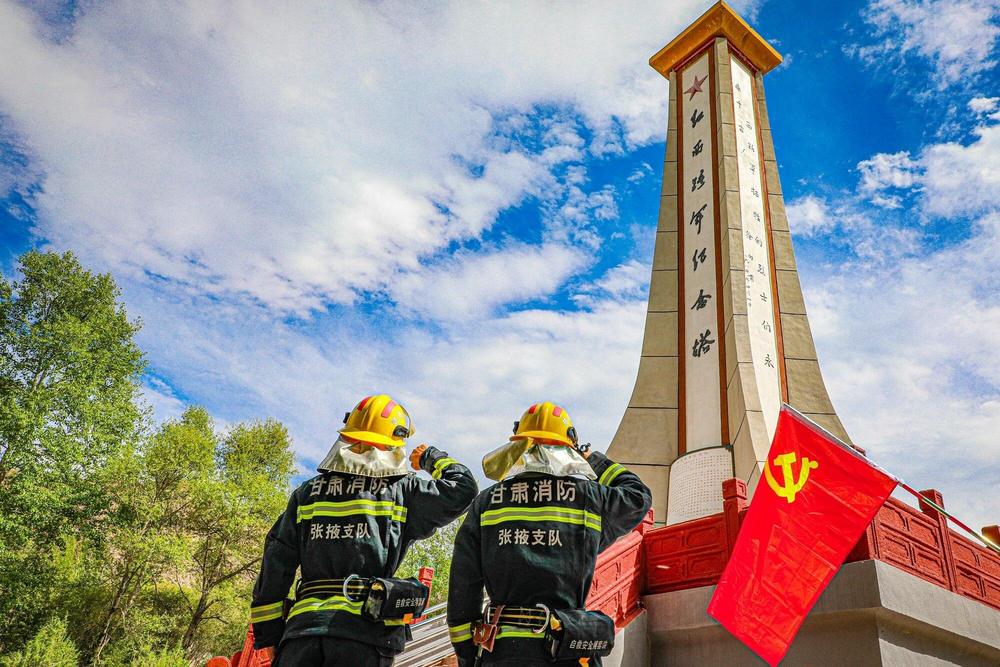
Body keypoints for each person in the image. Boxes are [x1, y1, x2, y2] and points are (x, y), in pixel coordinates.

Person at [250, 394, 478, 666]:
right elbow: (463, 488)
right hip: (364, 637)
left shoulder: (308, 493)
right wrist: (431, 457)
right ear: (395, 443)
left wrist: (269, 636)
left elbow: (275, 564)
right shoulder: (402, 490)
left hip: (302, 636)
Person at [447, 401, 652, 667]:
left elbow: (463, 590)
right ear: (568, 448)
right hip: (567, 650)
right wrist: (594, 460)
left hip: (503, 653)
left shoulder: (486, 503)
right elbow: (638, 497)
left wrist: (468, 656)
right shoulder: (588, 498)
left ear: (519, 447)